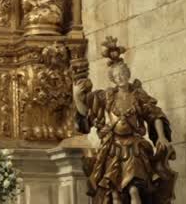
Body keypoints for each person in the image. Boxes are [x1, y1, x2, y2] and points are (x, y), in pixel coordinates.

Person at [73, 38, 176, 204]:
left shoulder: (137, 95)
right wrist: (77, 96)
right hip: (112, 148)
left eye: (122, 74)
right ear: (113, 79)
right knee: (114, 194)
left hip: (134, 148)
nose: (120, 77)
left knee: (134, 189)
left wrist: (162, 136)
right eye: (116, 75)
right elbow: (87, 113)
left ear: (128, 74)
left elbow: (155, 114)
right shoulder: (106, 96)